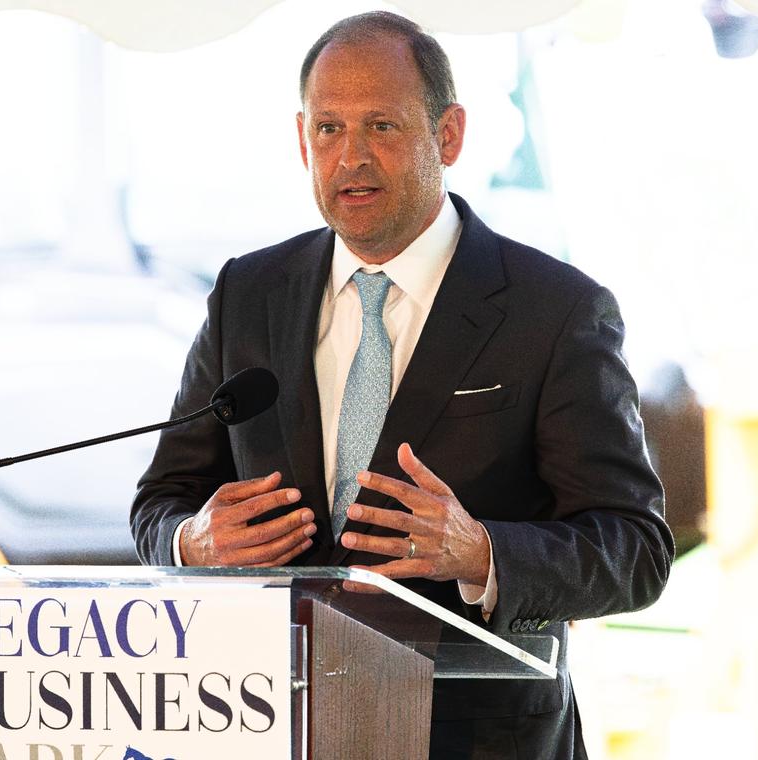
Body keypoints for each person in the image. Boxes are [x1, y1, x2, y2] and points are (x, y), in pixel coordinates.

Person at [131, 11, 673, 759]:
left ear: (448, 135)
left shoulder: (557, 311)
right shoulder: (247, 294)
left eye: (382, 126)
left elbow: (636, 548)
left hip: (480, 739)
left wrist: (483, 551)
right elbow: (161, 501)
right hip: (274, 727)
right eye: (328, 129)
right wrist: (192, 543)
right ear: (301, 140)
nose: (351, 156)